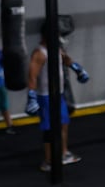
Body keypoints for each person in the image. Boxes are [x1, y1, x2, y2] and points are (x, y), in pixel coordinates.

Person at [27, 30, 89, 172]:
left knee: (64, 124)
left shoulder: (56, 49)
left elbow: (66, 59)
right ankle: (48, 160)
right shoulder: (40, 53)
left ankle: (63, 153)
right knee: (49, 129)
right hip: (45, 96)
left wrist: (78, 70)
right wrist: (31, 97)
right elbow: (32, 76)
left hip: (58, 94)